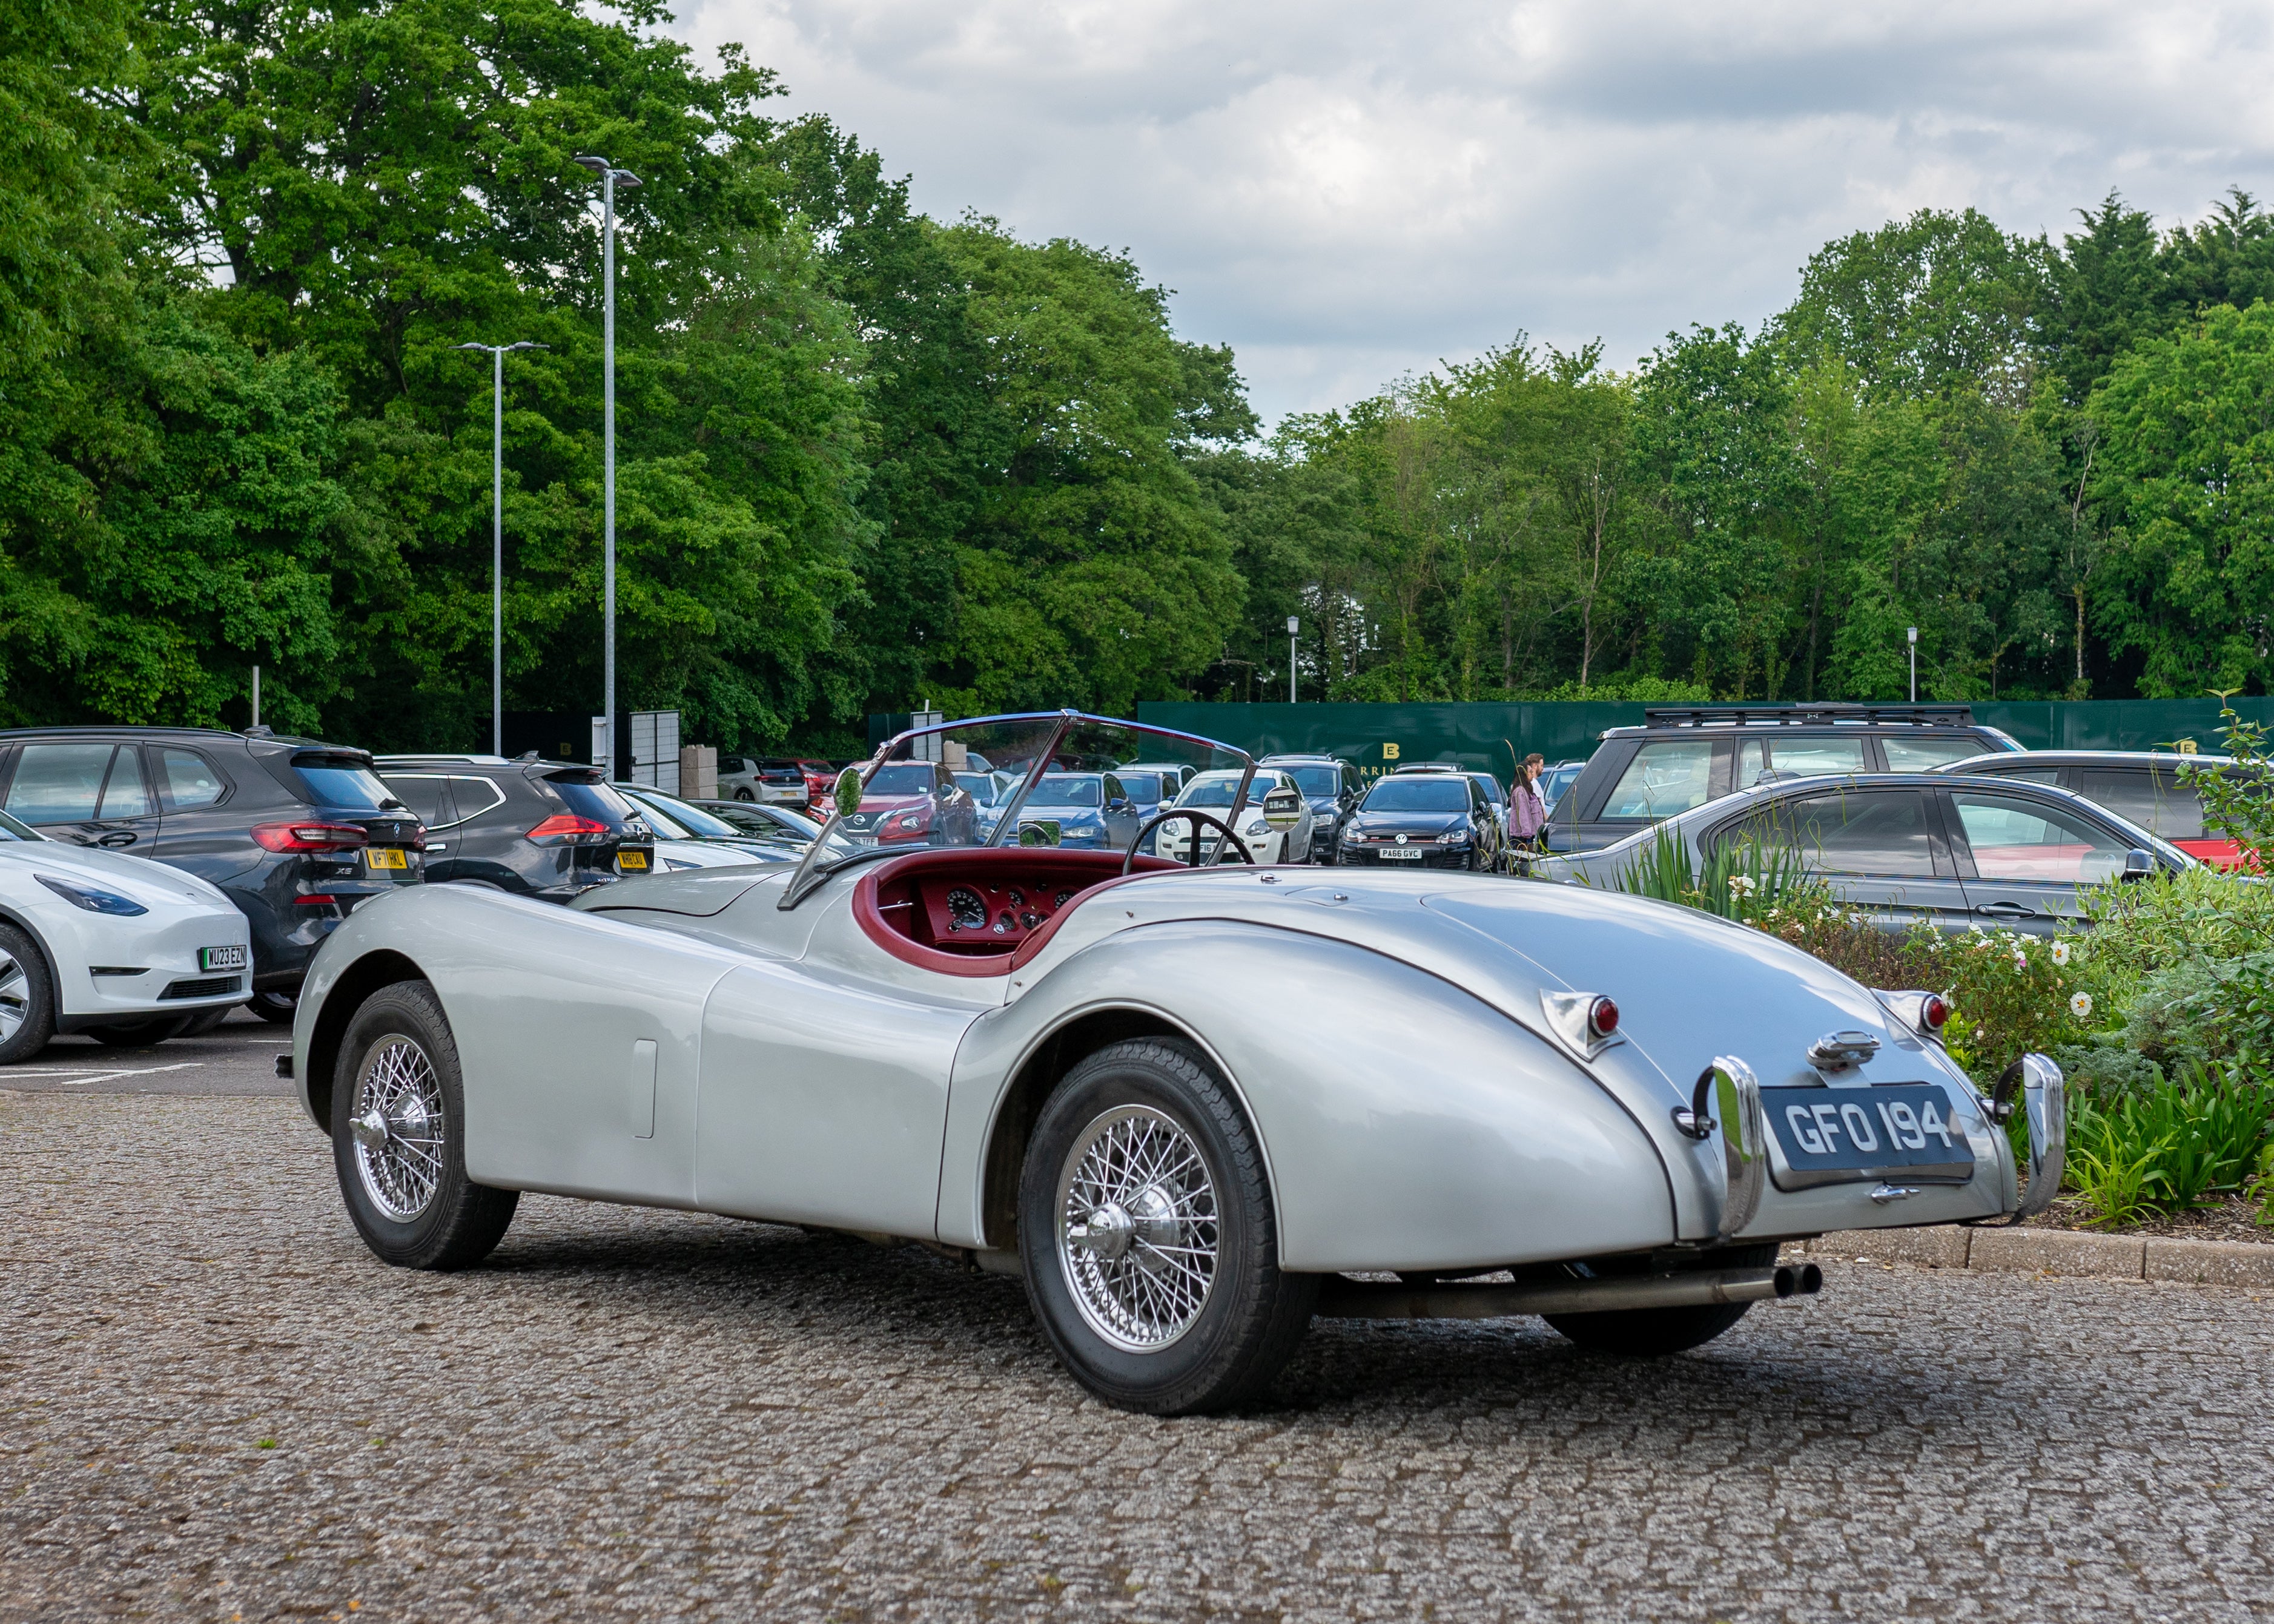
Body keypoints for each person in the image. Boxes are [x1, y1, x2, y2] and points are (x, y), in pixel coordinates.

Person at [1507, 753, 1547, 870]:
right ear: (1524, 774)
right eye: (1529, 772)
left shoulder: (1528, 790)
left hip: (1531, 834)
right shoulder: (1520, 792)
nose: (1532, 774)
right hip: (1524, 837)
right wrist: (1527, 836)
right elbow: (1523, 814)